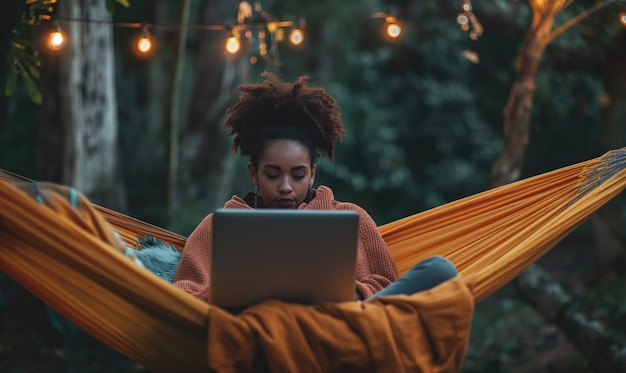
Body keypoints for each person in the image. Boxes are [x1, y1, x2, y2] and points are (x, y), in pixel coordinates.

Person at [173, 72, 457, 304]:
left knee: (439, 269)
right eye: (272, 175)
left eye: (297, 175)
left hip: (339, 324)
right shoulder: (216, 229)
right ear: (254, 174)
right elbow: (183, 296)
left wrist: (348, 292)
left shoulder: (351, 217)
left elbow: (385, 284)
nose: (286, 187)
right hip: (258, 329)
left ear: (312, 175)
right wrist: (240, 291)